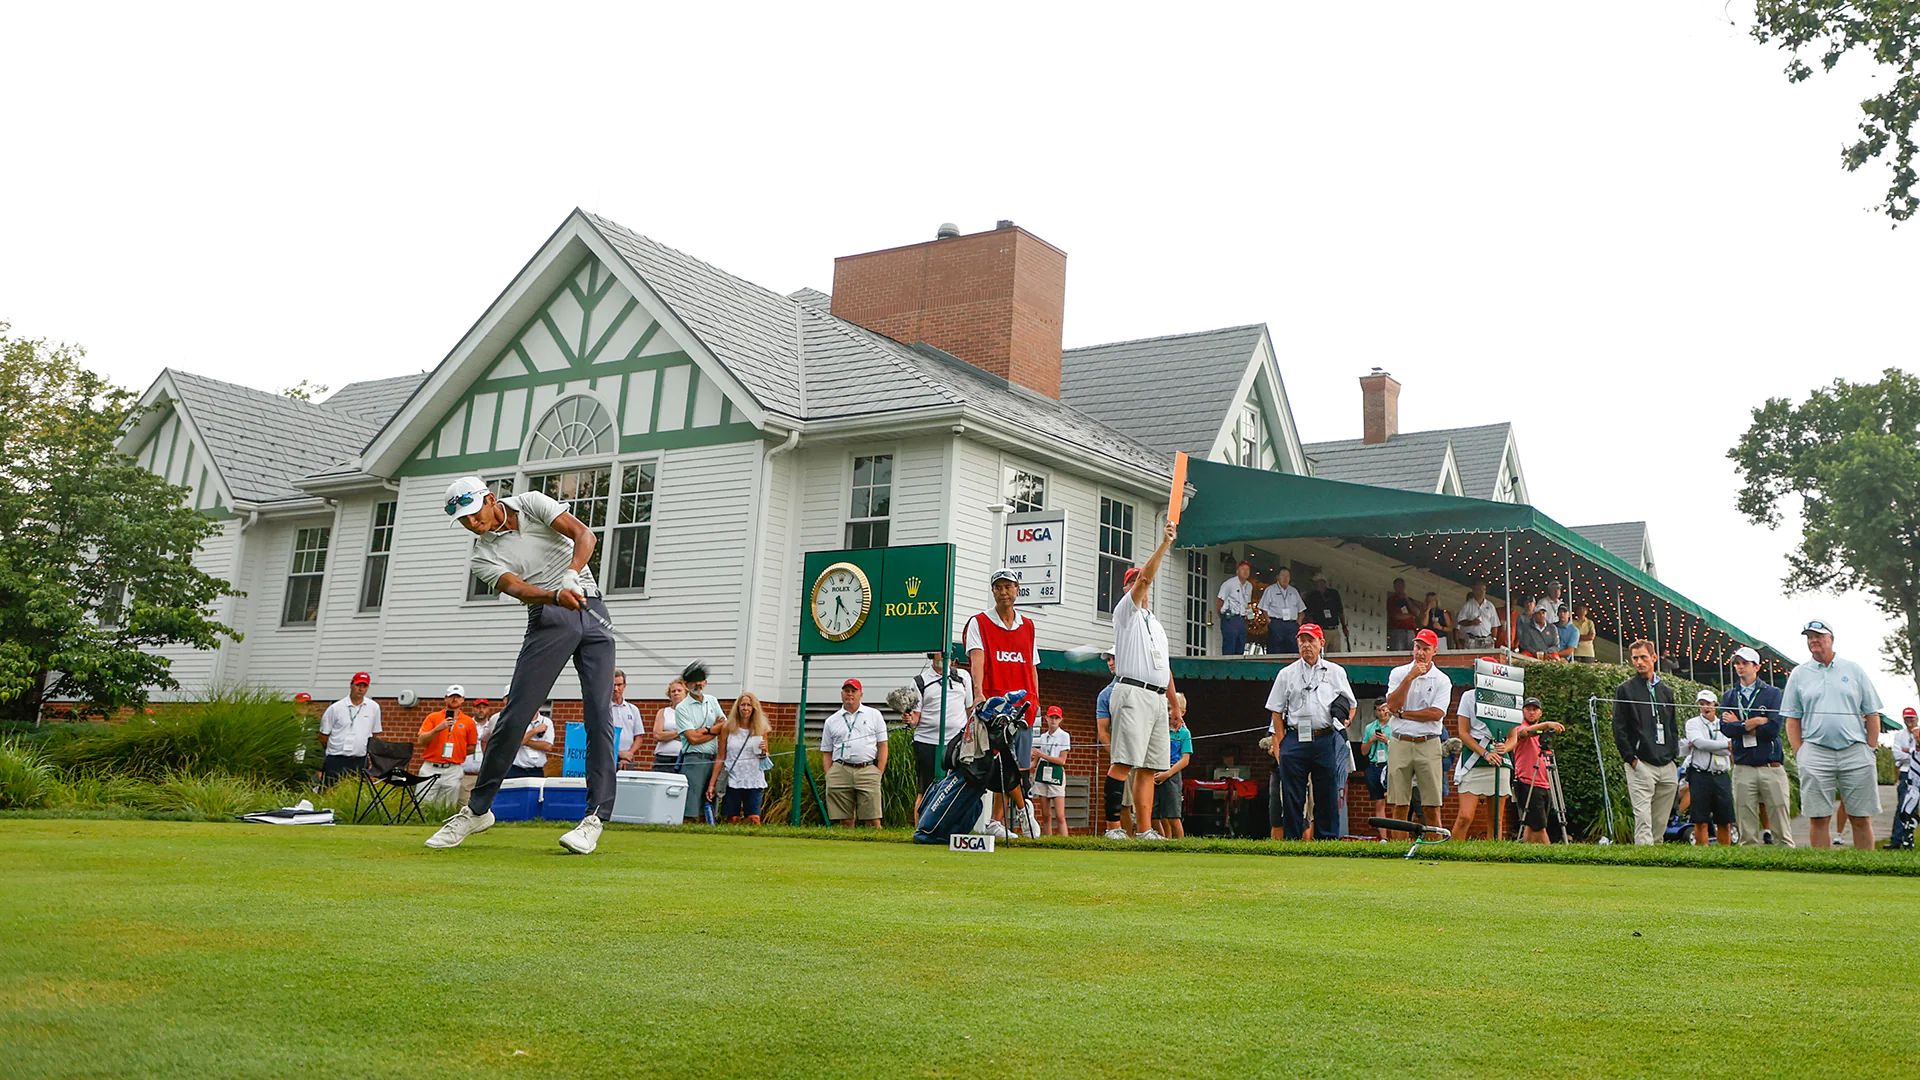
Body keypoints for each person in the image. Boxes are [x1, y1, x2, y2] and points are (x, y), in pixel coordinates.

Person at [427, 477, 617, 855]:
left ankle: (594, 818)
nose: (471, 524)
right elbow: (516, 587)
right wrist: (554, 594)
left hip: (592, 608)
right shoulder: (482, 556)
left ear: (491, 500)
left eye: (473, 514)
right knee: (515, 717)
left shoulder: (531, 503)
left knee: (599, 714)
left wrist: (572, 574)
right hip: (548, 616)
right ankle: (478, 810)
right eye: (462, 520)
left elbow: (584, 535)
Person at [1107, 520, 1182, 841]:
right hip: (1132, 691)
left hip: (1155, 697)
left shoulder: (1157, 625)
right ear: (1129, 588)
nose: (1144, 586)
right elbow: (1146, 576)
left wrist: (1174, 703)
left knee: (1150, 767)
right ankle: (1112, 828)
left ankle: (1145, 828)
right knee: (1124, 761)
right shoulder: (1126, 611)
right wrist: (1164, 544)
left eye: (1144, 584)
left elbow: (1164, 668)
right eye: (1137, 583)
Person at [1780, 619, 1884, 850]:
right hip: (1815, 752)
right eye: (1809, 637)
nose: (1813, 641)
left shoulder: (1853, 669)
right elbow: (1792, 719)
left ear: (1831, 639)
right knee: (1818, 817)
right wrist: (1801, 753)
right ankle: (1821, 874)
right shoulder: (1799, 674)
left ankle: (1866, 872)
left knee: (1860, 816)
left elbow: (1872, 713)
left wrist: (1871, 748)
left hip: (1855, 751)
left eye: (1818, 636)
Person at [968, 568, 1042, 838]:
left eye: (1008, 586)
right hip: (995, 704)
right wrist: (978, 693)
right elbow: (977, 660)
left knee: (1019, 766)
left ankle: (996, 822)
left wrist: (1036, 699)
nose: (1003, 591)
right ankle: (1024, 809)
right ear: (992, 591)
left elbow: (1032, 666)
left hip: (1024, 704)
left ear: (1017, 590)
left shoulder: (1029, 626)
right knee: (999, 763)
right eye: (998, 587)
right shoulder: (979, 622)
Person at [1265, 623, 1356, 840]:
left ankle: (1327, 840)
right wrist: (1283, 739)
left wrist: (1344, 722)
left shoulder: (1336, 672)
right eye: (1302, 641)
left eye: (1311, 640)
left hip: (1325, 737)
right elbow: (1276, 711)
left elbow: (1351, 704)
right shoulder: (1286, 673)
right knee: (1292, 794)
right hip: (1295, 737)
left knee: (1326, 792)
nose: (1306, 645)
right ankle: (1293, 840)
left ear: (1321, 643)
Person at [1718, 646, 1792, 847]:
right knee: (1746, 832)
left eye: (1745, 663)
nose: (1740, 667)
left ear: (1757, 667)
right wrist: (1754, 722)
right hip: (1743, 768)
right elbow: (1726, 729)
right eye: (1737, 663)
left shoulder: (1773, 693)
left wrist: (1739, 724)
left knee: (1781, 829)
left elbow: (1773, 730)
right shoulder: (1730, 696)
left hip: (1771, 766)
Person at [1612, 639, 1680, 846]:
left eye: (1643, 657)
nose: (1639, 662)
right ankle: (1643, 858)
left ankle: (1656, 856)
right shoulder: (1625, 690)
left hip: (1666, 763)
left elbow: (1672, 726)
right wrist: (1631, 759)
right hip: (1640, 763)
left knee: (1660, 819)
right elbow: (1619, 727)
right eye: (1635, 658)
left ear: (1654, 658)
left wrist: (1673, 756)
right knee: (1643, 817)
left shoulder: (1666, 692)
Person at [1383, 628, 1451, 829]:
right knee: (1399, 804)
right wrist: (1409, 678)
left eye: (1425, 649)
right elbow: (1392, 704)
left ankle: (1434, 850)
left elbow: (1436, 713)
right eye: (1417, 647)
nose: (1420, 653)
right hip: (1400, 740)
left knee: (1431, 805)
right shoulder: (1399, 673)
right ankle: (1399, 853)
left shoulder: (1442, 679)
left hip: (1428, 742)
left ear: (1434, 651)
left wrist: (1404, 714)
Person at [905, 646, 972, 800]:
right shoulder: (920, 681)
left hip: (956, 742)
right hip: (927, 742)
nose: (942, 656)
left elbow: (970, 709)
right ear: (931, 654)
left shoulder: (963, 677)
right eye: (938, 652)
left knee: (957, 788)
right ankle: (922, 824)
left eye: (945, 652)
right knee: (925, 789)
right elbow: (915, 718)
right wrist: (909, 719)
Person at [822, 678, 888, 828]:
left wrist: (879, 771)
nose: (850, 694)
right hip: (840, 769)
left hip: (867, 769)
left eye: (853, 691)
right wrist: (829, 773)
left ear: (861, 694)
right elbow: (826, 751)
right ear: (842, 694)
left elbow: (883, 745)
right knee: (845, 820)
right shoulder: (832, 721)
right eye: (846, 691)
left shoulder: (874, 715)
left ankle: (875, 847)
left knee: (873, 819)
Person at [1448, 688, 1509, 841]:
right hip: (1473, 758)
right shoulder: (1468, 696)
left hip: (1499, 760)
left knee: (1496, 820)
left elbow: (1513, 736)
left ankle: (1494, 858)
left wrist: (1505, 748)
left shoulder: (1507, 696)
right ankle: (1451, 855)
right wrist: (1485, 753)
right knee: (1465, 817)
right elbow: (1463, 732)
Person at [673, 660, 725, 824]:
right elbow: (692, 739)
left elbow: (724, 726)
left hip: (713, 757)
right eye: (694, 681)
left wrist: (705, 730)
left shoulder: (712, 701)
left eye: (701, 680)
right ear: (687, 685)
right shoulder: (683, 708)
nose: (698, 684)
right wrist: (713, 729)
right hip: (694, 759)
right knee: (692, 804)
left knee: (709, 802)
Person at [1507, 697, 1564, 843]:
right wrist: (1546, 725)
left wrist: (1544, 730)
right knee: (1540, 827)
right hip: (1528, 781)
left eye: (1535, 710)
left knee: (1531, 826)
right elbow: (1524, 733)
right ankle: (1550, 857)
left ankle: (1526, 853)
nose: (1531, 713)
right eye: (1528, 709)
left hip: (1544, 782)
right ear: (1523, 711)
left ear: (1540, 713)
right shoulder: (1518, 727)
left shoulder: (1540, 733)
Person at [1681, 688, 1734, 846]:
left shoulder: (1724, 724)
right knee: (1700, 820)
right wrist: (1725, 745)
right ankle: (1703, 855)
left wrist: (1713, 746)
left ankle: (1725, 855)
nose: (1705, 707)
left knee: (1725, 820)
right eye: (1702, 704)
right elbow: (1699, 743)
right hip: (1700, 774)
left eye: (1708, 704)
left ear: (1715, 705)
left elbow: (1732, 748)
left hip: (1721, 775)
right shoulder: (1692, 723)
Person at [414, 684, 479, 808]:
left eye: (457, 697)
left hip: (453, 768)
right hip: (430, 767)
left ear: (463, 699)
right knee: (422, 804)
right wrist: (438, 729)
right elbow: (421, 741)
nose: (454, 699)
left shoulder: (468, 722)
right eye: (451, 697)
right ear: (445, 698)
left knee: (446, 806)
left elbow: (471, 747)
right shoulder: (433, 717)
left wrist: (456, 752)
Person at [711, 692, 771, 824]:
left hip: (754, 777)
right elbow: (721, 756)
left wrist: (763, 751)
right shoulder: (727, 727)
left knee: (754, 818)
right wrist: (712, 784)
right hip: (733, 777)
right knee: (732, 818)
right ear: (737, 707)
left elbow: (765, 756)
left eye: (749, 705)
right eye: (742, 705)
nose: (745, 708)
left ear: (754, 708)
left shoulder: (761, 728)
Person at [318, 672, 382, 785]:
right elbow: (323, 736)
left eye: (364, 686)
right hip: (336, 759)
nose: (360, 689)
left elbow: (375, 734)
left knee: (355, 793)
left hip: (359, 760)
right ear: (351, 685)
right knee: (329, 791)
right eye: (358, 685)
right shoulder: (335, 708)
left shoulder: (374, 707)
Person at [1094, 650, 1131, 839]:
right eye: (1108, 659)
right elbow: (1103, 731)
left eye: (1114, 658)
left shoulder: (1142, 687)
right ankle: (1121, 835)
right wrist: (1116, 753)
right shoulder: (1105, 694)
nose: (1110, 662)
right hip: (1122, 756)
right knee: (1124, 803)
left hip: (1144, 756)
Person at [1153, 697, 1193, 839]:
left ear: (1182, 712)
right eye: (1167, 708)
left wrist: (1168, 774)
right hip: (1155, 771)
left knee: (1172, 816)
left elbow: (1185, 759)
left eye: (1172, 709)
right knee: (1153, 814)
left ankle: (1181, 845)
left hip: (1172, 773)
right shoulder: (1159, 729)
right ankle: (1164, 840)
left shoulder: (1184, 733)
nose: (1169, 713)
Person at [1032, 705, 1072, 836]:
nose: (1053, 720)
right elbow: (1034, 762)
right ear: (1046, 718)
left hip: (1056, 771)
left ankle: (1065, 842)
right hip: (1042, 771)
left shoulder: (1064, 736)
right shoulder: (1042, 737)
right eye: (1051, 717)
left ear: (1061, 720)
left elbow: (1062, 761)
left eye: (1056, 718)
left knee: (1060, 815)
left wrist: (1042, 755)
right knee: (1045, 814)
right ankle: (1048, 839)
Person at [1256, 567, 1304, 655]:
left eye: (1287, 576)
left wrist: (1298, 623)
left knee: (1293, 649)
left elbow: (1301, 609)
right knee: (1276, 649)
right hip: (1277, 623)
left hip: (1291, 624)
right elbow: (1263, 608)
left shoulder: (1294, 591)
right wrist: (1269, 622)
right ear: (1277, 577)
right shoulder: (1270, 590)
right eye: (1283, 576)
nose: (1285, 578)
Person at [1360, 705, 1392, 832]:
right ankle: (1383, 838)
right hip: (1374, 765)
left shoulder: (1394, 725)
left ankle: (1398, 836)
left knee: (1395, 802)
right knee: (1379, 803)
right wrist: (1371, 740)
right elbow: (1363, 751)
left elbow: (1401, 748)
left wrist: (1387, 741)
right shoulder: (1370, 727)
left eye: (1384, 709)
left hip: (1389, 765)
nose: (1382, 713)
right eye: (1379, 710)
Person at [1890, 705, 1917, 850]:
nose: (1909, 721)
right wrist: (1913, 754)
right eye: (1906, 718)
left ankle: (1908, 839)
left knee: (1913, 809)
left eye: (1911, 718)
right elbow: (1897, 754)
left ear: (1916, 718)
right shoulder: (1900, 735)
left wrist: (1909, 751)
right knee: (1902, 807)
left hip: (1916, 773)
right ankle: (1897, 840)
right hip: (1906, 772)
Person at [458, 695, 493, 805]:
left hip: (485, 775)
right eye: (478, 707)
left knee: (484, 806)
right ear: (474, 709)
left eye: (484, 707)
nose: (481, 710)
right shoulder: (466, 724)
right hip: (466, 773)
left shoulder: (493, 726)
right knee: (464, 804)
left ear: (488, 709)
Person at [1216, 560, 1255, 656]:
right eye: (1242, 569)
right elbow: (1219, 601)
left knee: (1240, 646)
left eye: (1247, 569)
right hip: (1230, 617)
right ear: (1237, 571)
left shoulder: (1249, 586)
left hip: (1241, 619)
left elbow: (1248, 603)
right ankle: (1227, 669)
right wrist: (1223, 617)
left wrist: (1250, 618)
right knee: (1230, 645)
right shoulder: (1229, 583)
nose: (1245, 571)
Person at [510, 703, 556, 780]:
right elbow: (514, 743)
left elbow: (548, 746)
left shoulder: (546, 722)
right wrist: (535, 731)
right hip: (516, 770)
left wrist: (525, 740)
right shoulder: (516, 721)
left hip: (537, 771)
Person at [610, 670, 645, 770]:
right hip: (608, 757)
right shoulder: (604, 710)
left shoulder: (633, 709)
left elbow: (639, 737)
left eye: (619, 685)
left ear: (624, 686)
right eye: (613, 685)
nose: (616, 689)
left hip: (628, 759)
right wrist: (619, 753)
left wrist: (628, 756)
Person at [1303, 572, 1346, 652]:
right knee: (1322, 655)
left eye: (1317, 582)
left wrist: (1344, 626)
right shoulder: (1312, 596)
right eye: (1314, 583)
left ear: (1323, 583)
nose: (1315, 585)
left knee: (1336, 656)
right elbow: (1307, 614)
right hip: (1321, 630)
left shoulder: (1334, 593)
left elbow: (1340, 611)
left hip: (1334, 629)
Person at [652, 679, 688, 773]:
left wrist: (667, 734)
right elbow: (657, 735)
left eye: (679, 691)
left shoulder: (691, 713)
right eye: (673, 691)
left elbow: (691, 735)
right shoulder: (663, 712)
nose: (676, 693)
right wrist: (678, 733)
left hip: (682, 759)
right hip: (663, 759)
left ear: (686, 693)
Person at [1456, 583, 1501, 650]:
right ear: (1474, 591)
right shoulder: (1468, 605)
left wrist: (1494, 639)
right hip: (1472, 639)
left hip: (1487, 639)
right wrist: (1471, 622)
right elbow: (1460, 620)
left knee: (1487, 659)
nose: (1482, 592)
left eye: (1484, 589)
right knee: (1471, 659)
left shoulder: (1490, 606)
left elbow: (1495, 624)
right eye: (1479, 590)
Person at [1385, 579, 1419, 652]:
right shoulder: (1392, 600)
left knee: (1412, 652)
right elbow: (1396, 616)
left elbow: (1417, 612)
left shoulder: (1409, 599)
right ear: (1394, 587)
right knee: (1399, 651)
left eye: (1401, 585)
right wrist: (1410, 615)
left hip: (1410, 630)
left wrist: (1407, 600)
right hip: (1398, 630)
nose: (1400, 587)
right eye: (1398, 585)